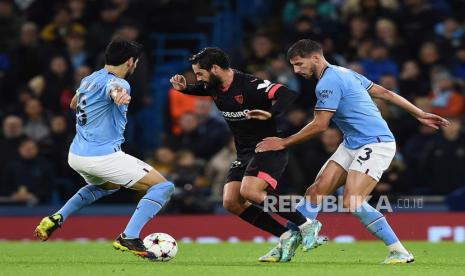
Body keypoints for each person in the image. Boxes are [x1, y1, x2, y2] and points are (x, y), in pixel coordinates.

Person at [256, 39, 450, 264]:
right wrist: (419, 113)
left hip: (376, 143)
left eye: (299, 64)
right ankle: (283, 246)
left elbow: (320, 125)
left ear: (316, 58)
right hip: (352, 143)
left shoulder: (328, 83)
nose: (296, 70)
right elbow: (385, 92)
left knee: (353, 201)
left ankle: (399, 251)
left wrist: (283, 142)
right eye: (293, 65)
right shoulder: (344, 72)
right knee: (315, 191)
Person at [34, 38, 174, 261]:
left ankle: (57, 218)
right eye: (136, 62)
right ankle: (129, 236)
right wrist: (117, 94)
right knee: (163, 187)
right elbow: (114, 89)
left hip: (77, 154)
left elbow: (73, 103)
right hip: (101, 155)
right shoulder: (120, 83)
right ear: (130, 62)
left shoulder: (89, 78)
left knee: (107, 186)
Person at [170, 47, 312, 262]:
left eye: (200, 73)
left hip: (268, 147)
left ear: (215, 68)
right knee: (231, 202)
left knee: (251, 193)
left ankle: (306, 225)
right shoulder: (214, 85)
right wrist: (185, 88)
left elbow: (287, 93)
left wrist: (270, 113)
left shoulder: (249, 85)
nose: (199, 79)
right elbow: (204, 89)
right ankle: (285, 235)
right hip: (244, 151)